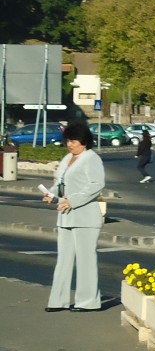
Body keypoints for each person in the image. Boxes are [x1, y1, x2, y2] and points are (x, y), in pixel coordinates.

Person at [42, 122, 106, 312]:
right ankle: (57, 301)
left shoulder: (91, 158)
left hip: (85, 217)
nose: (70, 144)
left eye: (73, 141)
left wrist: (73, 200)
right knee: (63, 260)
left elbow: (96, 185)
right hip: (65, 216)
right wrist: (51, 195)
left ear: (84, 141)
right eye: (68, 141)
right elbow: (59, 183)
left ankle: (88, 302)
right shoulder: (67, 158)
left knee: (86, 260)